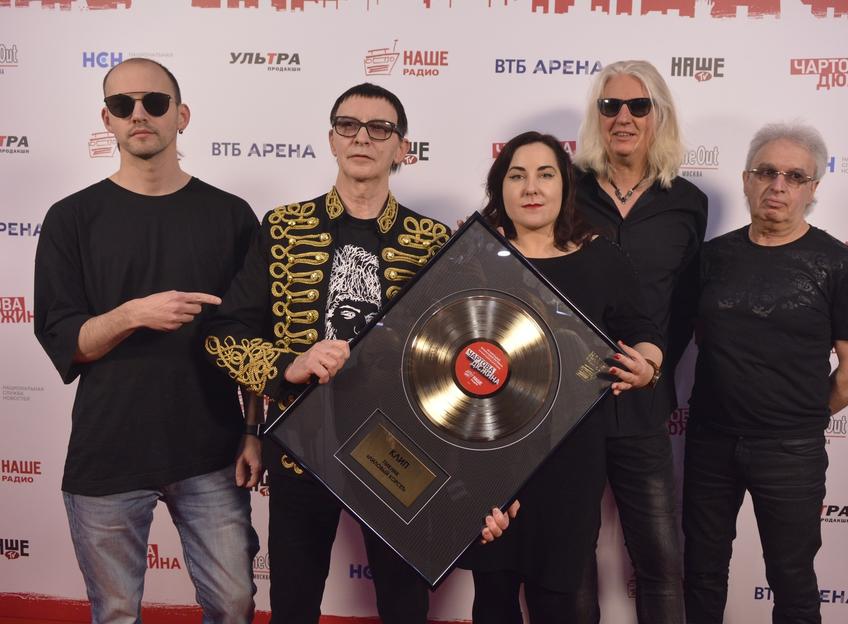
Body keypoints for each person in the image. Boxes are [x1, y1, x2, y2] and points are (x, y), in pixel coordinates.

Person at [204, 82, 513, 624]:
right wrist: (287, 368)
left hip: (403, 459)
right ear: (332, 140)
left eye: (380, 128)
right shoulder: (283, 229)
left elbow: (461, 360)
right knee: (293, 607)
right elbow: (225, 335)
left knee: (404, 608)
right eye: (348, 126)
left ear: (402, 148)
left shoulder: (432, 240)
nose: (362, 138)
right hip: (301, 451)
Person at [33, 58, 260, 624]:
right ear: (106, 119)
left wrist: (254, 431)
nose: (139, 114)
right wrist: (134, 313)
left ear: (181, 116)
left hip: (212, 452)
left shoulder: (232, 216)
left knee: (233, 605)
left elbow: (255, 341)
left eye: (155, 103)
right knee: (115, 613)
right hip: (107, 453)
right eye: (123, 104)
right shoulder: (70, 219)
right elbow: (69, 342)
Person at [461, 131, 664, 624]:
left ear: (565, 186)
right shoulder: (473, 257)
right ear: (500, 187)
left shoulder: (601, 257)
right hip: (487, 455)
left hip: (570, 459)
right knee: (492, 595)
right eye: (517, 175)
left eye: (545, 174)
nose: (531, 187)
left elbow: (643, 331)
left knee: (561, 600)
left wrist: (647, 367)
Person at [683, 122, 848, 624]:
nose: (778, 185)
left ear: (813, 189)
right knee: (701, 572)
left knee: (792, 582)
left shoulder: (839, 265)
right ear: (746, 179)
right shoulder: (712, 257)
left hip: (791, 452)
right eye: (766, 172)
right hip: (710, 442)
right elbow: (696, 337)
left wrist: (800, 416)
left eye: (795, 176)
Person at [573, 59, 708, 623]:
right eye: (610, 106)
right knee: (570, 559)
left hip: (645, 407)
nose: (622, 117)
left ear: (659, 115)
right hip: (569, 405)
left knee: (660, 561)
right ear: (597, 116)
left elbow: (685, 307)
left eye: (638, 106)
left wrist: (652, 371)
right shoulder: (566, 191)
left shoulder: (688, 202)